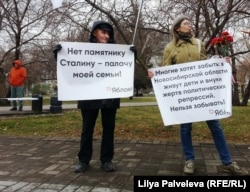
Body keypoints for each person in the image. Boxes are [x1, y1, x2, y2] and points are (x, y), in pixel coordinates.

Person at [148, 15, 248, 175]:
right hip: (184, 97)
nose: (190, 26)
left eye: (190, 23)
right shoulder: (170, 48)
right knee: (185, 128)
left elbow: (205, 66)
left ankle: (227, 162)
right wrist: (156, 75)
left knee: (216, 127)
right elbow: (165, 70)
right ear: (177, 28)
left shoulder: (199, 44)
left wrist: (222, 63)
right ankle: (189, 160)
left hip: (203, 95)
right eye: (186, 23)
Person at [53, 20, 136, 173]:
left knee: (109, 129)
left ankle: (107, 160)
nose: (107, 36)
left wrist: (132, 54)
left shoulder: (117, 52)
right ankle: (83, 160)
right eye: (103, 32)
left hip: (110, 97)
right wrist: (58, 54)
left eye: (108, 33)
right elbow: (69, 66)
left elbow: (126, 68)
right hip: (89, 98)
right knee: (87, 129)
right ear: (94, 33)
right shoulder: (82, 51)